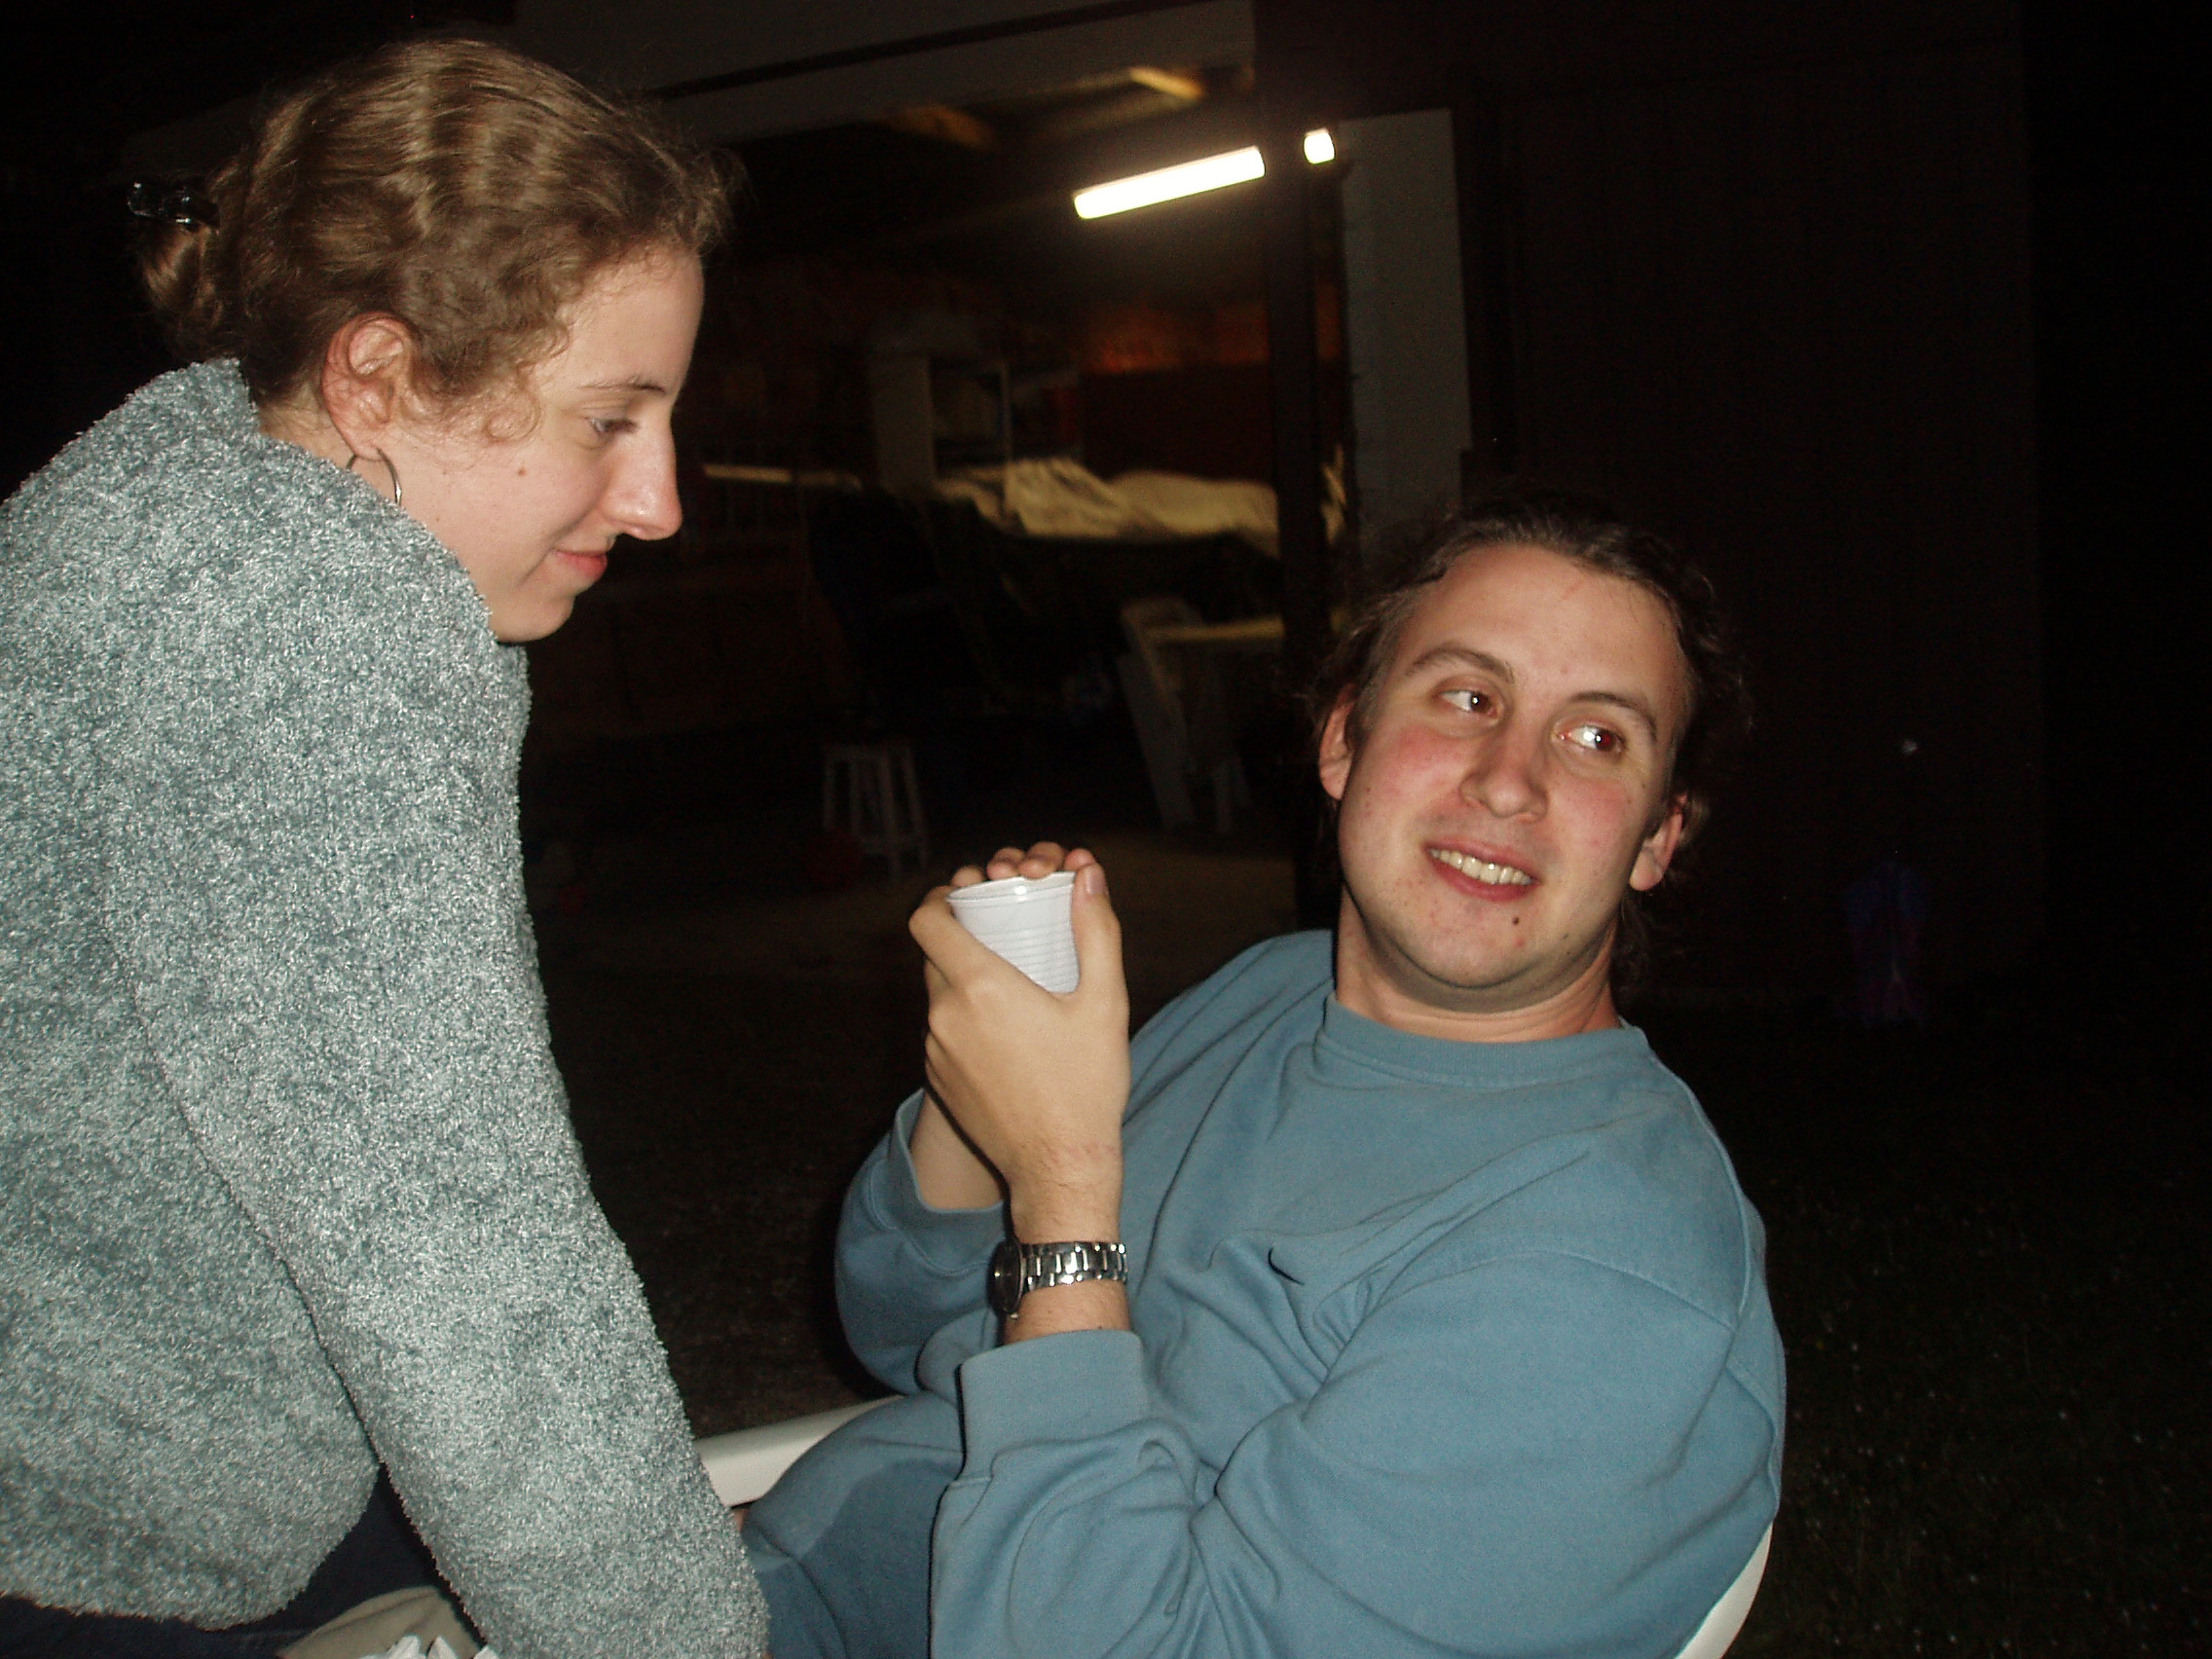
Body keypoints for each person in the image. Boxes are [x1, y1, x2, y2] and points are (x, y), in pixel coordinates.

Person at [0, 38, 767, 1659]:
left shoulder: (169, 496)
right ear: (376, 378)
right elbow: (455, 1246)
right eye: (609, 419)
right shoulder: (294, 622)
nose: (659, 501)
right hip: (102, 1541)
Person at [743, 494, 1783, 1658]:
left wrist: (1062, 1178)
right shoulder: (1273, 991)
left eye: (1596, 738)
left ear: (1656, 839)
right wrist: (981, 1091)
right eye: (1467, 697)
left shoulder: (1606, 1271)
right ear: (1342, 742)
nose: (1508, 782)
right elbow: (903, 1329)